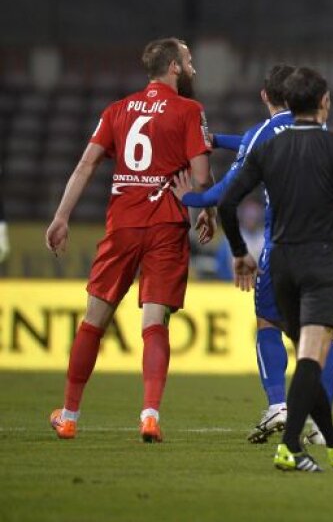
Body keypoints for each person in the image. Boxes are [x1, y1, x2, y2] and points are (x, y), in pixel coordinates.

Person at [217, 66, 333, 473]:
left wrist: (239, 251)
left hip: (281, 264)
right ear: (324, 103)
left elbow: (226, 203)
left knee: (307, 352)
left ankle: (330, 438)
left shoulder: (267, 150)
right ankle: (291, 444)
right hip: (322, 261)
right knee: (313, 353)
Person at [46, 37, 213, 443]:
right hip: (167, 225)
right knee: (154, 324)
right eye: (189, 61)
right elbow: (201, 175)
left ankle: (68, 416)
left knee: (92, 322)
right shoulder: (190, 110)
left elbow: (86, 163)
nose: (193, 69)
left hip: (122, 225)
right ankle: (150, 415)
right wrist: (202, 206)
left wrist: (61, 216)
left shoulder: (117, 110)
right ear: (173, 67)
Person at [177, 64, 333, 445]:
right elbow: (260, 142)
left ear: (265, 96)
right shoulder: (320, 133)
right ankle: (322, 422)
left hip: (283, 249)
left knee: (268, 324)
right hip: (326, 248)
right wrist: (217, 139)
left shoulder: (263, 134)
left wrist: (190, 198)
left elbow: (228, 190)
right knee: (321, 337)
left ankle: (278, 406)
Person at [210, 198, 265, 281]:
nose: (251, 219)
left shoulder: (265, 238)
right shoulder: (229, 239)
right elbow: (221, 268)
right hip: (233, 286)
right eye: (249, 216)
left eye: (253, 216)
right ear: (242, 216)